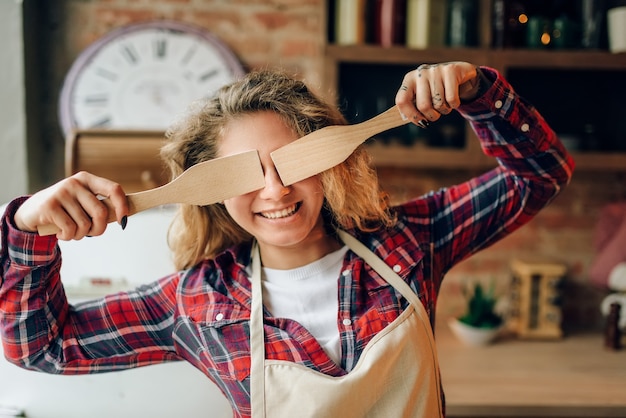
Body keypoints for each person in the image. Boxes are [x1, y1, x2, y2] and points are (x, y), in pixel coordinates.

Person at [0, 61, 574, 417]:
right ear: (211, 191)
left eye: (294, 162)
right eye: (244, 175)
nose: (274, 191)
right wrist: (26, 228)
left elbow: (541, 173)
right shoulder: (194, 303)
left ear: (330, 161)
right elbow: (41, 347)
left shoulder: (409, 241)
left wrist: (480, 93)